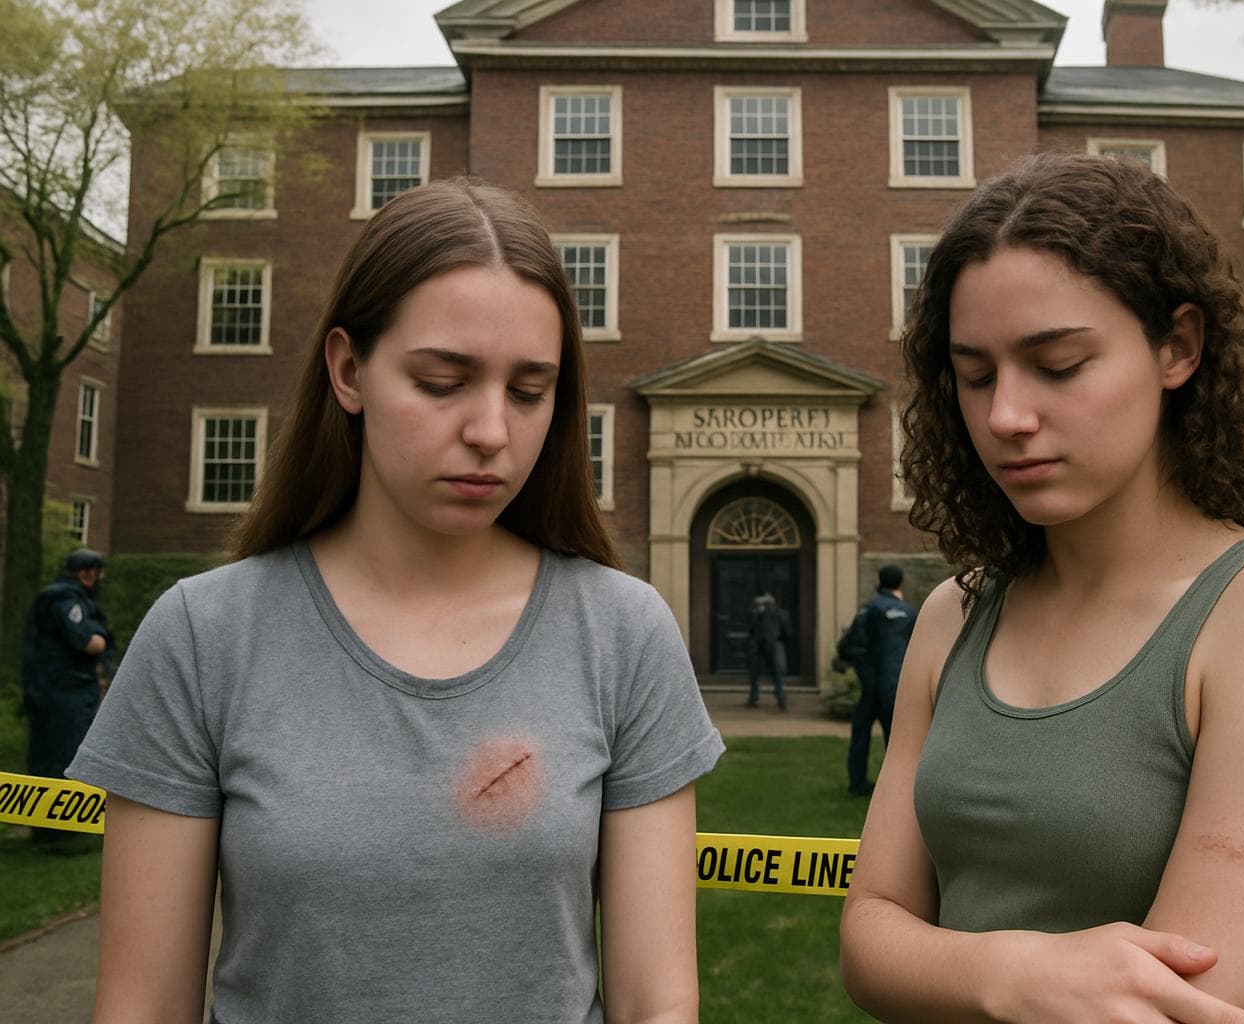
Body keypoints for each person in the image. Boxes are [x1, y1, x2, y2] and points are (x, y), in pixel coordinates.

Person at [67, 179, 724, 1024]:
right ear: (349, 370)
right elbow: (141, 1007)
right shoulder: (204, 636)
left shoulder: (623, 634)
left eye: (530, 391)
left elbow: (657, 1003)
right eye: (444, 381)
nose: (492, 429)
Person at [839, 152, 1244, 1024]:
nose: (1005, 415)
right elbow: (867, 938)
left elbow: (1185, 1006)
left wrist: (941, 966)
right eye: (975, 375)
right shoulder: (954, 614)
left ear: (1178, 348)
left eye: (1059, 363)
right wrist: (1016, 975)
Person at [22, 548, 113, 842]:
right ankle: (60, 832)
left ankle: (43, 827)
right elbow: (88, 642)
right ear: (87, 573)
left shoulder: (55, 595)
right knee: (64, 755)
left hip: (49, 689)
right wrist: (100, 640)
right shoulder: (65, 599)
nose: (98, 578)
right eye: (95, 572)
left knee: (46, 754)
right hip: (65, 693)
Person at [842, 564, 915, 796]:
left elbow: (849, 646)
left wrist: (863, 669)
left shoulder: (870, 610)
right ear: (900, 582)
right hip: (894, 687)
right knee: (896, 741)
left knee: (861, 734)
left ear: (880, 582)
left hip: (872, 686)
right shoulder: (910, 613)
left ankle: (857, 782)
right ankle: (896, 789)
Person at [746, 591, 791, 709]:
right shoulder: (756, 614)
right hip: (764, 644)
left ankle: (779, 696)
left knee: (776, 671)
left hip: (772, 644)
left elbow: (786, 630)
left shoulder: (778, 614)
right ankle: (755, 697)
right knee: (758, 672)